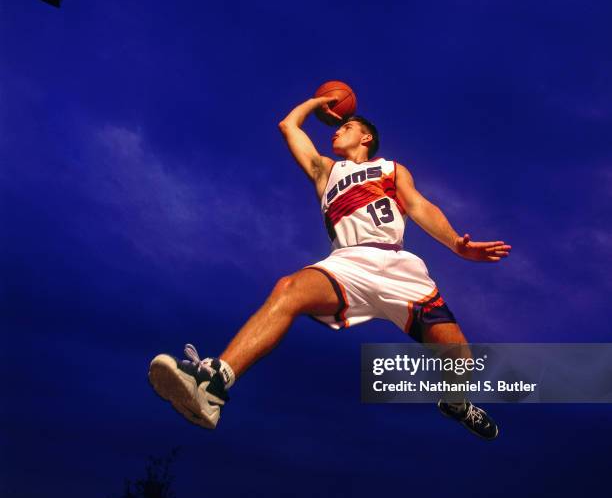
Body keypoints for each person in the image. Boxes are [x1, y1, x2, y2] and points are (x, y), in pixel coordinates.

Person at [148, 95, 511, 439]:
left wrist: (457, 246)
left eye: (347, 126)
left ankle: (455, 403)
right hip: (347, 263)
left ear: (366, 136)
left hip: (397, 264)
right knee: (288, 289)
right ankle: (213, 385)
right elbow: (288, 125)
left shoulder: (391, 169)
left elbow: (418, 206)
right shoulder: (325, 170)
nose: (336, 130)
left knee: (459, 356)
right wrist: (316, 103)